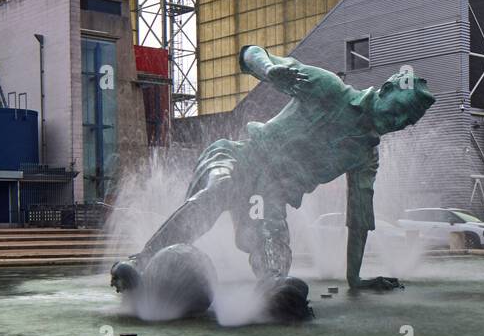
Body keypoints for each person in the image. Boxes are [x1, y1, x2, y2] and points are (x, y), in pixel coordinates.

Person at [112, 44, 435, 300]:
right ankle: (139, 263)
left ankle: (273, 292)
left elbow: (359, 222)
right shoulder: (328, 89)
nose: (396, 123)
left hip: (270, 193)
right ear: (385, 91)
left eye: (405, 122)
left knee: (272, 239)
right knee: (217, 190)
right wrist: (270, 70)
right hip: (240, 157)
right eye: (397, 111)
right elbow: (252, 52)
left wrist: (356, 280)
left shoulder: (365, 157)